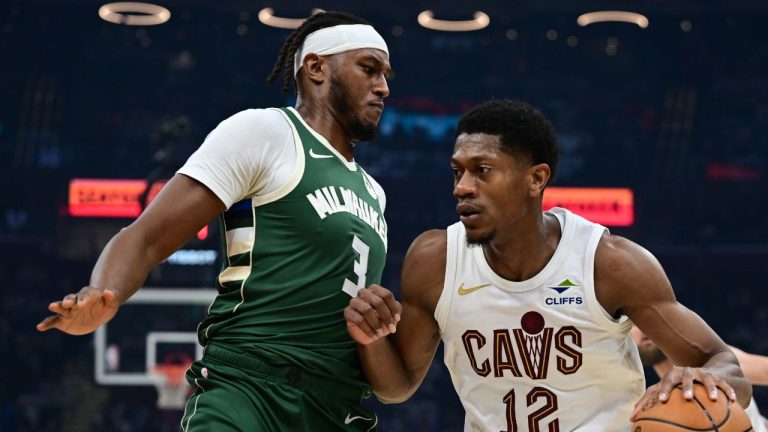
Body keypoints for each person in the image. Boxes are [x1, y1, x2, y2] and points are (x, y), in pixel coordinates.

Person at [37, 11, 392, 431]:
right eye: (369, 69)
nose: (383, 87)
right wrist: (102, 293)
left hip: (336, 408)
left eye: (386, 75)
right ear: (316, 68)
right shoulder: (264, 131)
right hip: (250, 393)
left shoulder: (374, 192)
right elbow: (147, 236)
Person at [344, 99, 752, 431]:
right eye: (457, 172)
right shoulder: (435, 260)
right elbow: (396, 389)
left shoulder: (609, 263)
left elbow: (723, 361)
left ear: (536, 179)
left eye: (482, 171)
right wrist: (373, 338)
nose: (462, 187)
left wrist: (707, 379)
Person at [631, 325, 768, 431]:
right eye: (632, 325)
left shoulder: (716, 362)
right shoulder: (649, 399)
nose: (642, 329)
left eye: (645, 321)